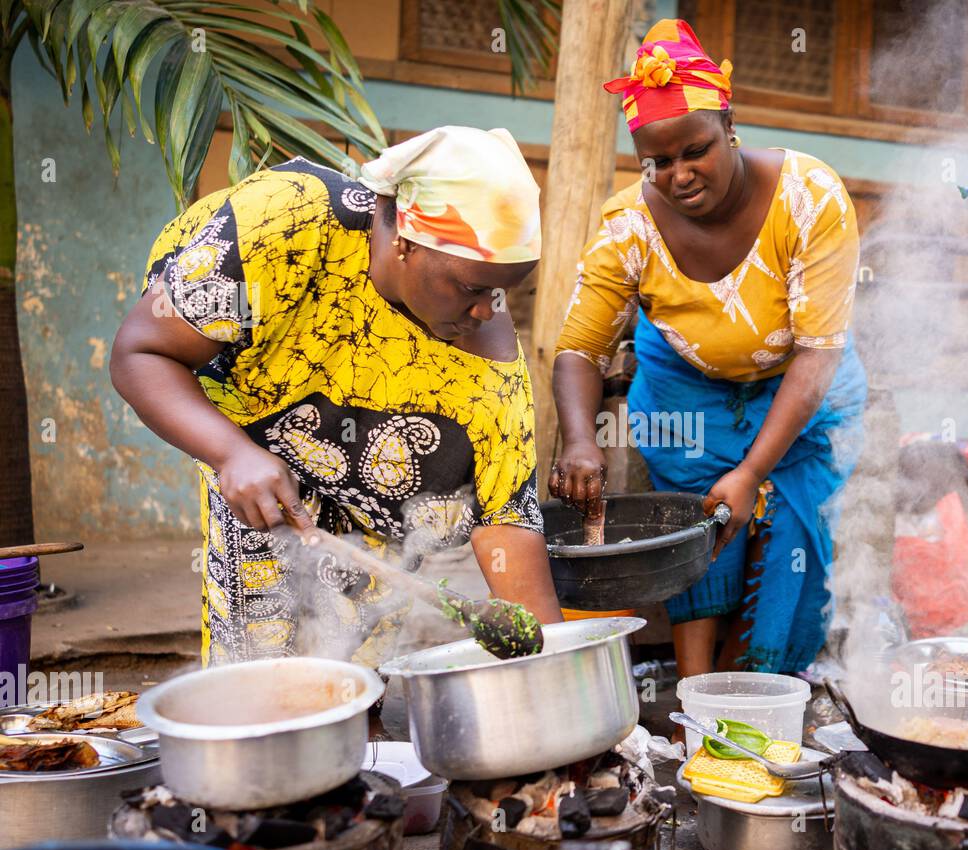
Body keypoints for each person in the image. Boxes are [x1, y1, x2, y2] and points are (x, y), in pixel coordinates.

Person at [112, 127, 563, 667]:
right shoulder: (288, 223)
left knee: (357, 666)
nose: (487, 311)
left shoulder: (493, 367)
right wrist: (231, 454)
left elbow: (507, 519)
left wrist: (558, 672)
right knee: (263, 654)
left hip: (372, 482)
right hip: (252, 423)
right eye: (472, 288)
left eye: (501, 291)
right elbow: (140, 355)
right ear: (406, 240)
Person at [550, 19, 867, 678]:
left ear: (730, 127)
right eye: (657, 162)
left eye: (695, 150)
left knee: (797, 539)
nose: (679, 175)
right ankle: (697, 696)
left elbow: (816, 354)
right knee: (694, 528)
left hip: (800, 386)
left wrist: (752, 473)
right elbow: (580, 349)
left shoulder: (808, 199)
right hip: (683, 390)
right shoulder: (628, 226)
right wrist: (578, 437)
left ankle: (762, 681)